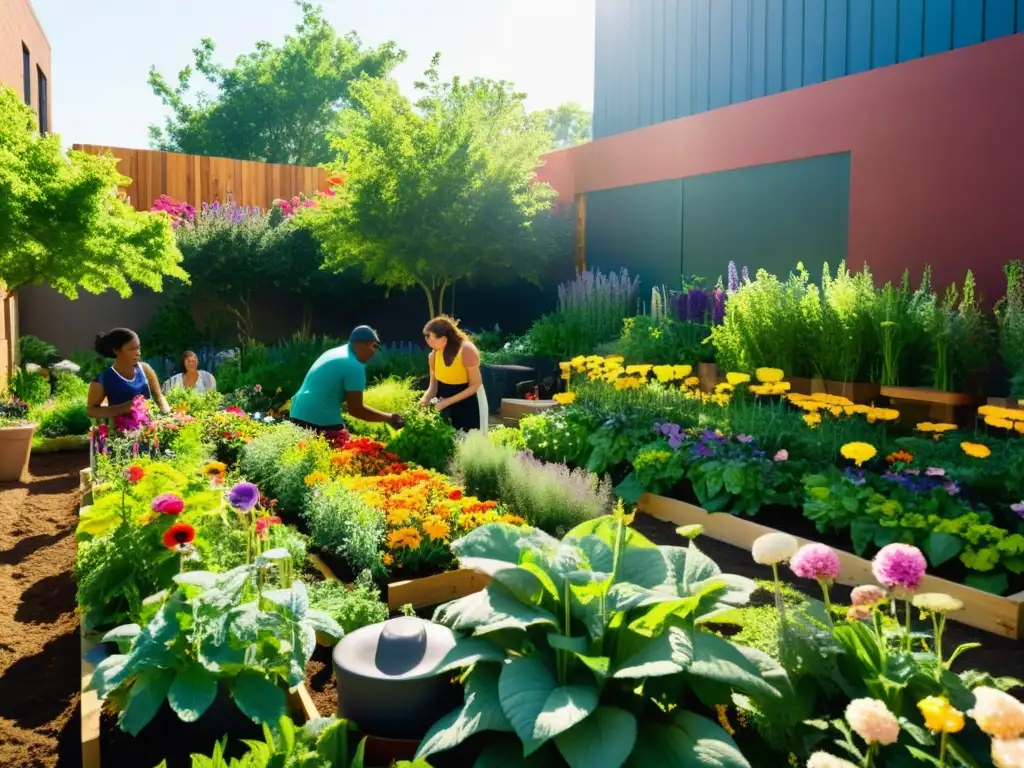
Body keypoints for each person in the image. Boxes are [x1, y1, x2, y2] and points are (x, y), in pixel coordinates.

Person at [288, 326, 405, 436]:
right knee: (344, 454)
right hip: (320, 418)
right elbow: (356, 410)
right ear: (367, 344)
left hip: (297, 412)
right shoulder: (355, 366)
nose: (374, 353)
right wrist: (389, 418)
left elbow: (327, 390)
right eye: (375, 347)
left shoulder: (332, 353)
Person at [420, 315, 488, 432]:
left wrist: (446, 402)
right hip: (444, 402)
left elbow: (475, 385)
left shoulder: (467, 350)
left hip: (470, 401)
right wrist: (424, 400)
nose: (426, 340)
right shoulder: (433, 356)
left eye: (429, 336)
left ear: (444, 338)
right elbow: (433, 386)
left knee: (470, 441)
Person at [87, 328, 170, 419]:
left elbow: (159, 398)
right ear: (116, 350)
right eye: (131, 349)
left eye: (138, 348)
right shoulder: (103, 379)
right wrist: (123, 408)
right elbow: (91, 410)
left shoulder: (145, 369)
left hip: (150, 429)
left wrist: (167, 416)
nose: (137, 353)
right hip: (122, 431)